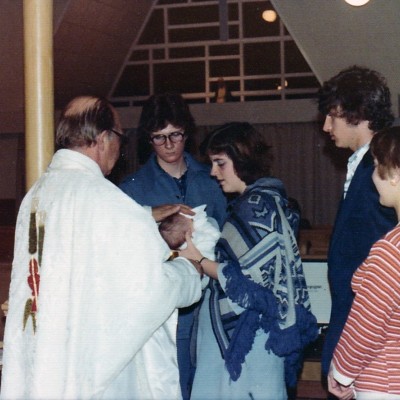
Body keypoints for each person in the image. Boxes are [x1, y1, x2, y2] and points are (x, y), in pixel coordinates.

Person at [0, 96, 203, 400]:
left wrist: (146, 221)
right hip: (90, 372)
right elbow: (150, 291)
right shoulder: (105, 199)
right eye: (119, 137)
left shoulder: (38, 194)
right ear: (104, 137)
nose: (119, 149)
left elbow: (82, 251)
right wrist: (189, 271)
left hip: (47, 354)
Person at [180, 122, 318, 400]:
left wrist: (198, 259)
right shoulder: (273, 199)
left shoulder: (254, 206)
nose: (213, 172)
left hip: (250, 335)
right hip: (261, 331)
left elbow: (246, 281)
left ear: (241, 158)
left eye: (220, 163)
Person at [119, 92, 227, 399]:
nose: (168, 145)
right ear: (147, 139)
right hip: (161, 307)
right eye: (159, 137)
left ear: (187, 133)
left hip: (208, 305)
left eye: (175, 135)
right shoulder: (132, 189)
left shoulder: (212, 178)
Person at [318, 65, 397, 378]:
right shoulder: (364, 164)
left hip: (371, 343)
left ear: (359, 113)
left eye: (332, 115)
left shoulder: (383, 170)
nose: (325, 126)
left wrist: (350, 357)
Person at [328, 126, 400, 400]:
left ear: (393, 173)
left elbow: (367, 326)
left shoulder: (390, 249)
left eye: (378, 165)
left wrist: (341, 372)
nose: (372, 176)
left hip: (384, 384)